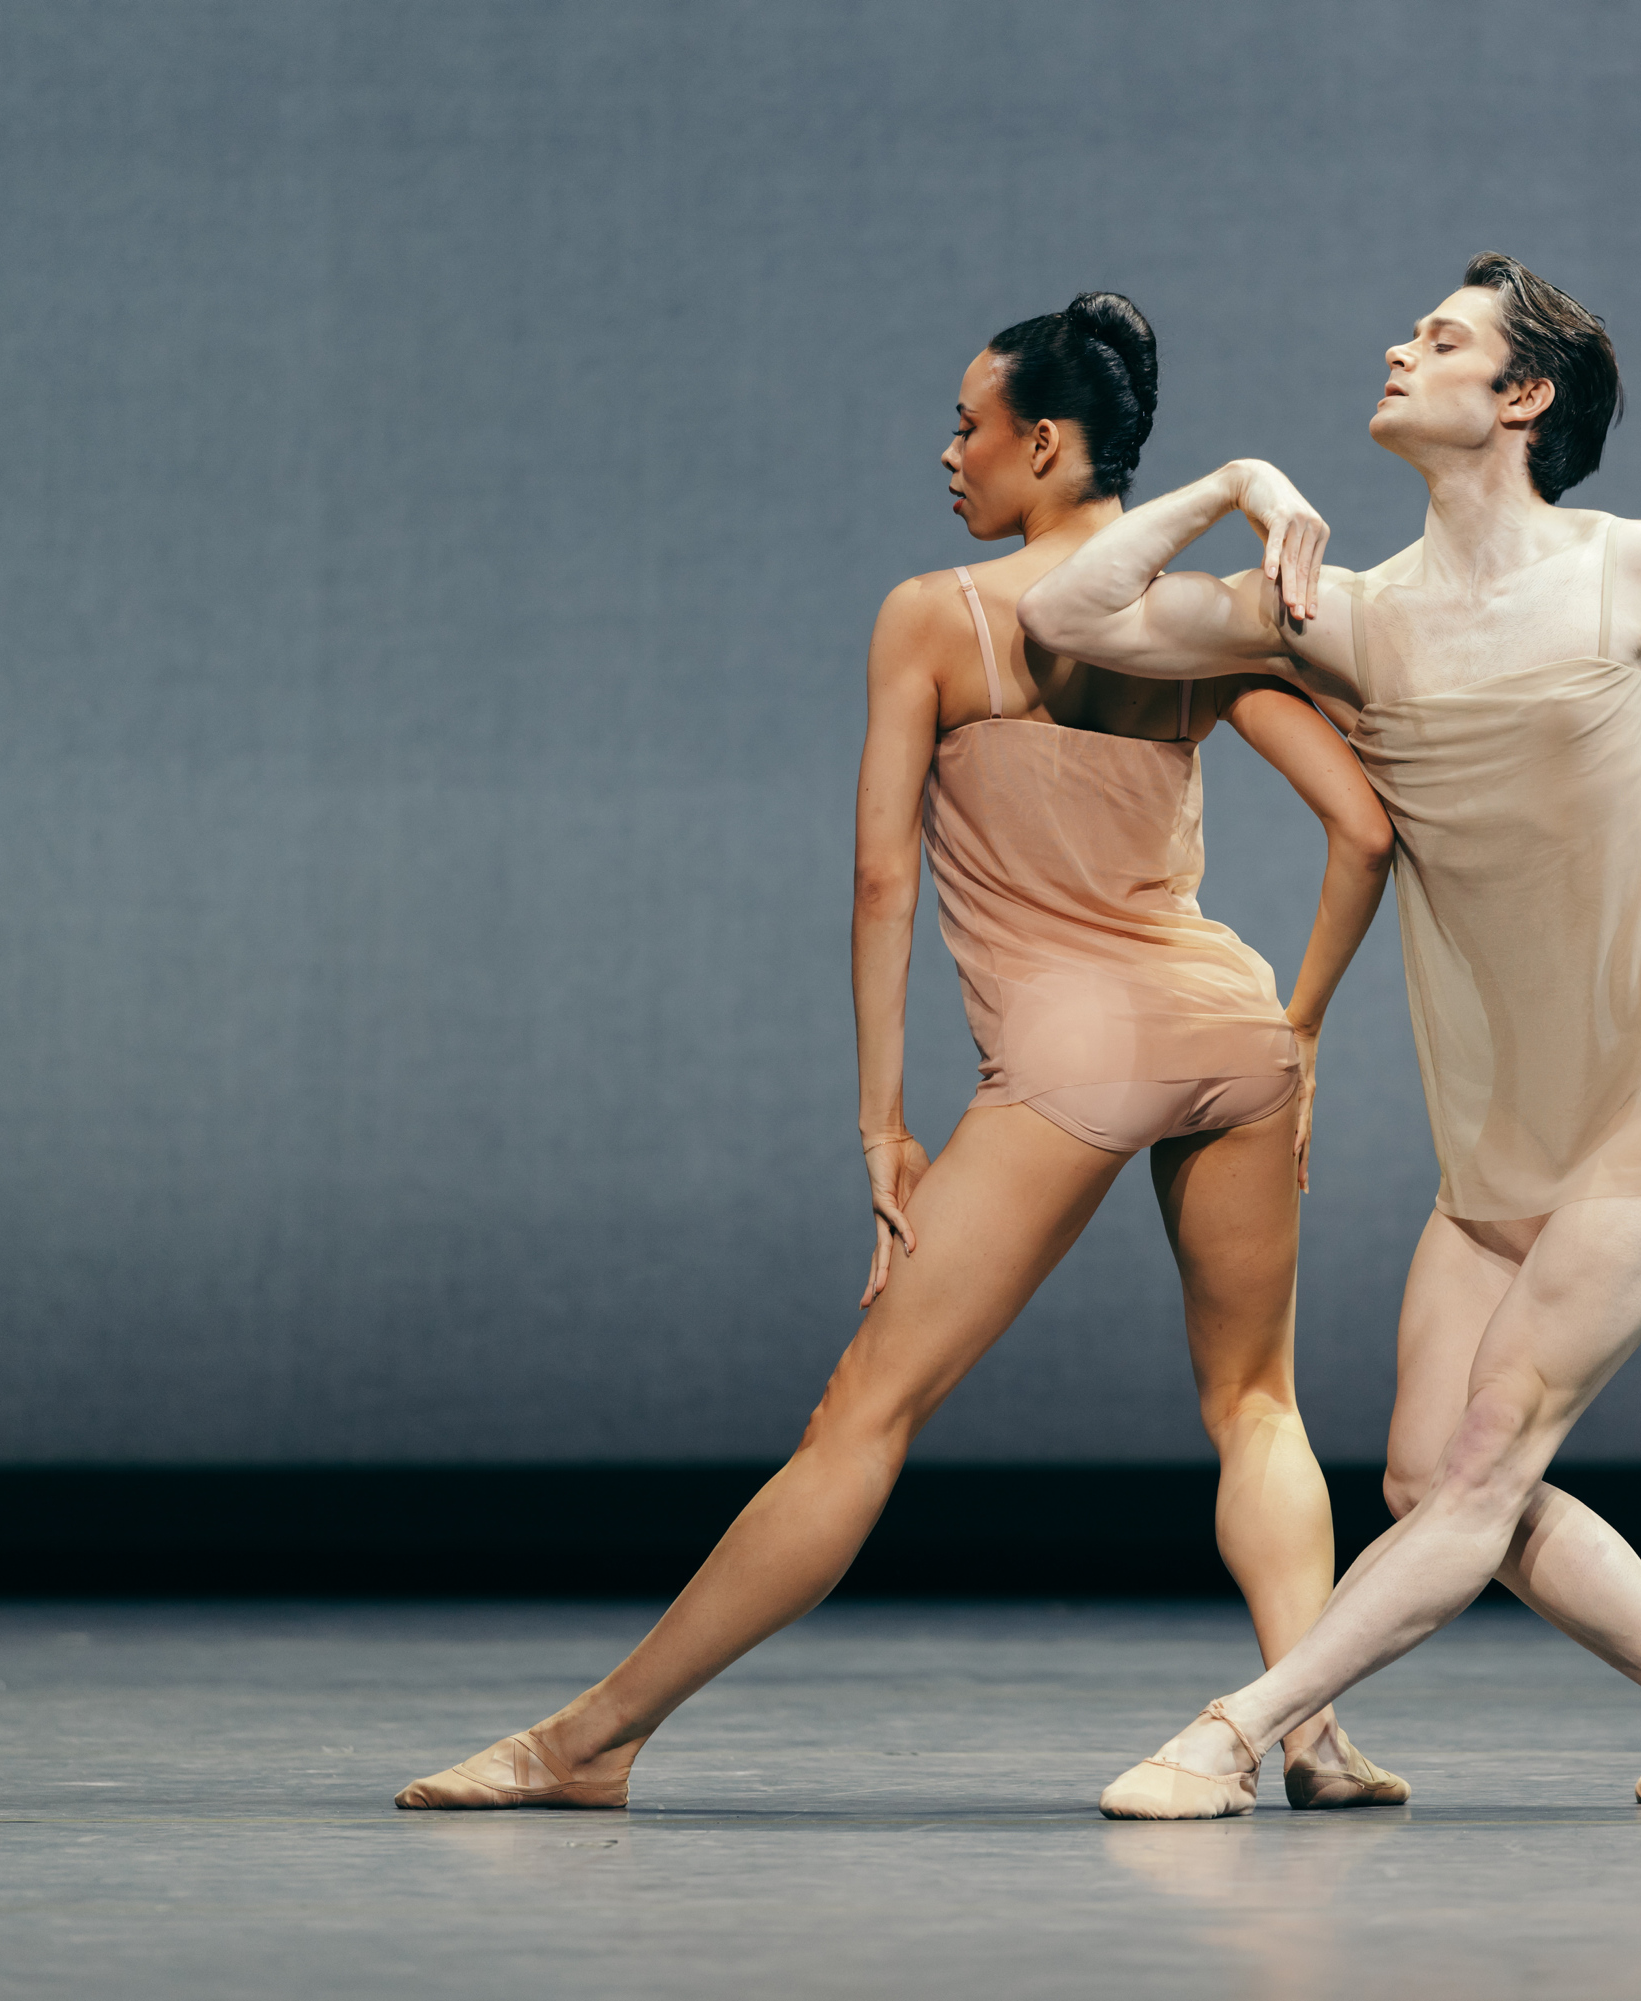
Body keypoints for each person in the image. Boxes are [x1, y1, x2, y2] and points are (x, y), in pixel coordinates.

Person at [396, 293, 1408, 1814]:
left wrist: (880, 1119)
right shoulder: (1197, 612)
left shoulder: (939, 613)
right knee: (1257, 1403)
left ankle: (591, 1741)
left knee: (860, 1418)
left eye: (969, 423)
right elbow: (1366, 827)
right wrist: (1304, 1025)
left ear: (1044, 444)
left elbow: (882, 876)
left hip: (1074, 1047)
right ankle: (1311, 1730)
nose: (951, 451)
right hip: (1232, 1022)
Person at [1019, 254, 1641, 1818]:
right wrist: (1230, 482)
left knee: (1487, 1461)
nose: (1397, 350)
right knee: (1431, 1479)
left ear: (1523, 396)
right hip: (1500, 1122)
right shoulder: (1340, 617)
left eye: (1442, 340)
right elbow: (1070, 608)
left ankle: (1233, 1729)